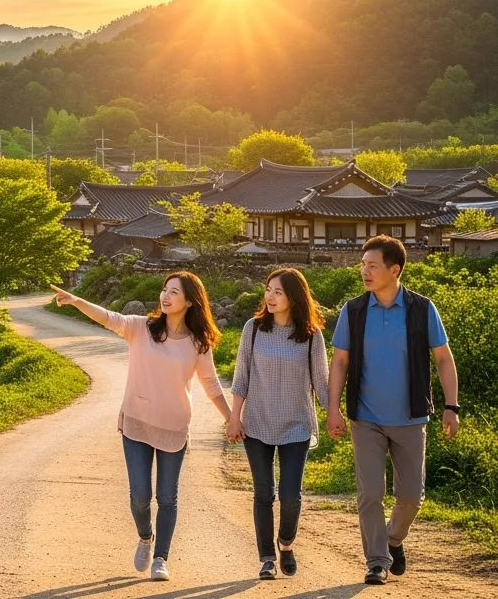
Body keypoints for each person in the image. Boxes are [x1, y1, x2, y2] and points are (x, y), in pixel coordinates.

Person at [53, 272, 231, 582]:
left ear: (189, 301)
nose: (165, 295)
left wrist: (232, 419)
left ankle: (161, 558)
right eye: (165, 289)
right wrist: (76, 300)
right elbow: (109, 318)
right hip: (136, 422)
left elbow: (211, 384)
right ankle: (145, 537)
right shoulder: (142, 328)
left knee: (167, 497)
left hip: (174, 427)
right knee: (139, 496)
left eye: (173, 292)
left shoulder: (198, 343)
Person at [326, 235, 461, 586]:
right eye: (362, 264)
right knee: (370, 493)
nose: (364, 271)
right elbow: (340, 362)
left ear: (394, 269)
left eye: (372, 265)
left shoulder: (421, 308)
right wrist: (333, 409)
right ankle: (375, 561)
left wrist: (451, 406)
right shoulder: (353, 311)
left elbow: (443, 358)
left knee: (412, 497)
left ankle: (393, 540)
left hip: (411, 418)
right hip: (366, 417)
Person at [226, 268, 329, 580]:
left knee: (290, 495)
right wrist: (234, 417)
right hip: (256, 423)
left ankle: (285, 542)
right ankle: (267, 558)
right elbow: (241, 375)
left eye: (278, 292)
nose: (270, 297)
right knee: (263, 494)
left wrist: (338, 415)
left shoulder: (311, 335)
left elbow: (321, 383)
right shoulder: (253, 328)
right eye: (268, 290)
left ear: (294, 297)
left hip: (296, 424)